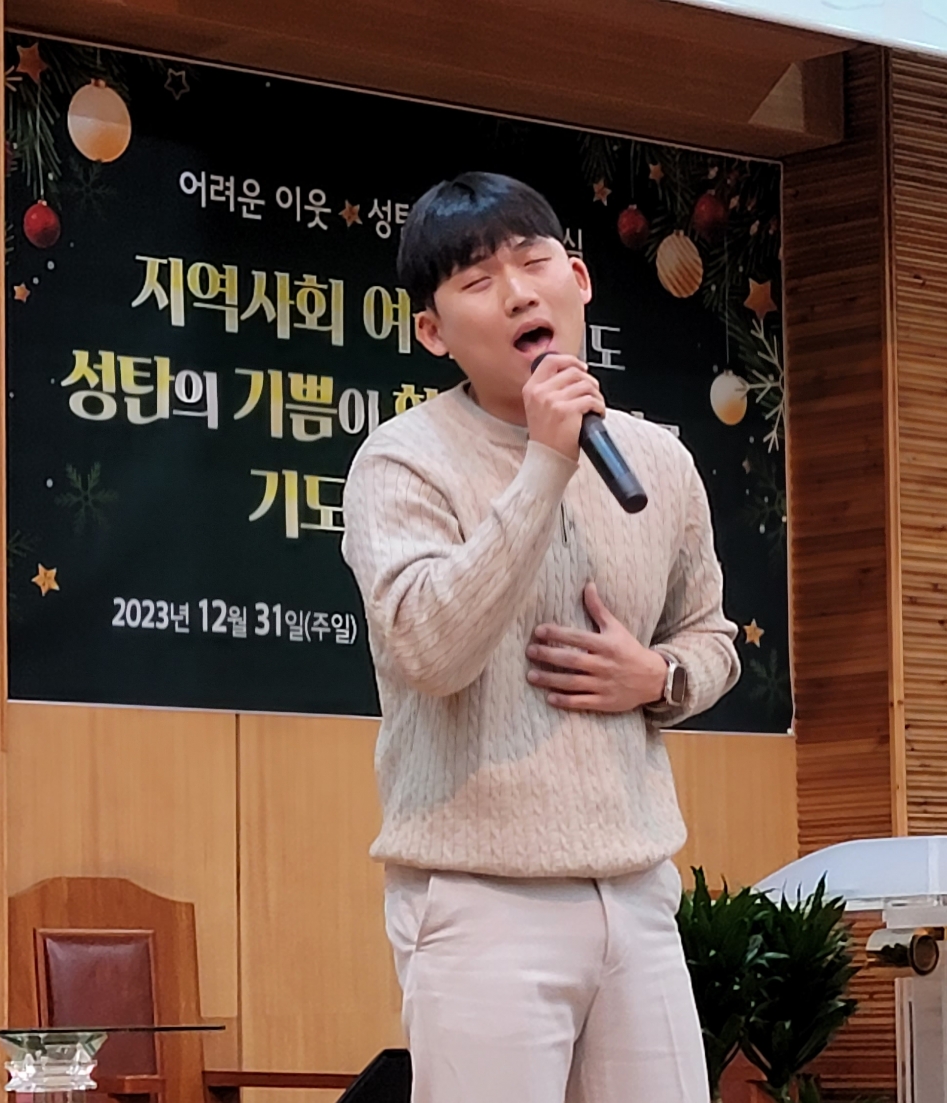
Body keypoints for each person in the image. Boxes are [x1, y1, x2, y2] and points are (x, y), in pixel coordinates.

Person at [340, 171, 741, 1103]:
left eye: (533, 263)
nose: (518, 293)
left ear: (579, 279)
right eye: (478, 282)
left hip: (637, 888)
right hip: (481, 895)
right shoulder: (401, 461)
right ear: (433, 332)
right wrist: (544, 463)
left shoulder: (660, 459)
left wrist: (657, 676)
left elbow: (713, 637)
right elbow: (430, 649)